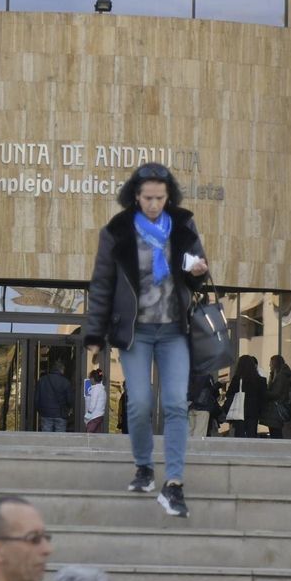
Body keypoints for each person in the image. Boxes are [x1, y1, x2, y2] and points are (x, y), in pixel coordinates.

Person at [85, 162, 209, 518]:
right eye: (147, 198)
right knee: (138, 403)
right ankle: (143, 466)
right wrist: (95, 333)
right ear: (135, 198)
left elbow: (197, 271)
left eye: (160, 197)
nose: (154, 204)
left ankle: (173, 483)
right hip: (136, 333)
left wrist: (198, 272)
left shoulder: (183, 224)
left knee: (174, 404)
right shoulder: (118, 231)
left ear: (168, 196)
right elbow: (102, 284)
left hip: (174, 332)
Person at [220, 355, 265, 438]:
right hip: (254, 412)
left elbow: (229, 393)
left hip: (239, 411)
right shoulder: (260, 380)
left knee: (239, 434)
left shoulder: (237, 379)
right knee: (252, 434)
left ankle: (240, 450)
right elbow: (263, 397)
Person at [258, 354, 291, 439]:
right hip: (277, 409)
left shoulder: (281, 376)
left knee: (276, 433)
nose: (269, 365)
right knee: (276, 433)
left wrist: (263, 392)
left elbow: (276, 393)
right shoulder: (279, 375)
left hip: (276, 410)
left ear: (275, 364)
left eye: (271, 363)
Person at [36, 360, 73, 433]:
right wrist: (68, 410)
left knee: (46, 438)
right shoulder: (66, 382)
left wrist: (40, 411)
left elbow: (36, 399)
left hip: (46, 413)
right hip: (60, 414)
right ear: (62, 370)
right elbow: (70, 400)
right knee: (59, 439)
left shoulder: (42, 380)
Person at [188, 372, 221, 439]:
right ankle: (196, 448)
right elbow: (213, 391)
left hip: (191, 406)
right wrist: (219, 384)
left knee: (190, 432)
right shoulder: (207, 375)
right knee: (199, 433)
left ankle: (188, 448)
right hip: (203, 407)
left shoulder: (190, 373)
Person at [83, 369, 107, 434]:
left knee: (88, 437)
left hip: (93, 417)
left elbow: (92, 405)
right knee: (96, 437)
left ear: (93, 379)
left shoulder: (96, 389)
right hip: (99, 416)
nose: (89, 379)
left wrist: (87, 417)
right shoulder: (102, 389)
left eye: (90, 378)